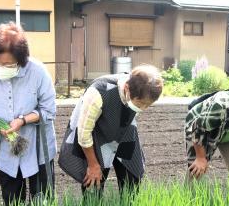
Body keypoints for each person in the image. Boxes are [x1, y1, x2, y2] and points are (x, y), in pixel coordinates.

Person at [0, 22, 57, 206]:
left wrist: (22, 120)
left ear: (21, 59)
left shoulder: (37, 71)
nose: (2, 67)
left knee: (42, 202)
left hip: (37, 145)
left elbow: (49, 109)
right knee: (12, 202)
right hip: (4, 146)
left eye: (9, 64)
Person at [58, 65, 163, 194]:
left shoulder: (140, 88)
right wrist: (93, 165)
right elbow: (84, 133)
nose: (144, 108)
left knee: (132, 181)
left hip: (124, 132)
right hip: (97, 136)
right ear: (126, 88)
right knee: (93, 185)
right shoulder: (98, 93)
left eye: (148, 105)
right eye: (141, 104)